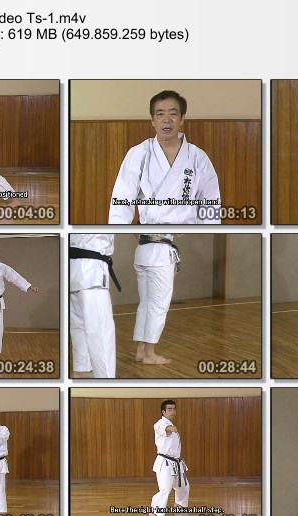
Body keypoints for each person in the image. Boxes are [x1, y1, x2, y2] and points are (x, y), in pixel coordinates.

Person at [109, 90, 221, 225]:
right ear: (153, 120)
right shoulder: (139, 154)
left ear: (182, 119)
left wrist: (206, 234)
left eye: (173, 114)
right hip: (149, 234)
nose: (166, 120)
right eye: (160, 114)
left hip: (188, 235)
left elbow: (210, 202)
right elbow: (122, 201)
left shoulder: (198, 158)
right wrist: (118, 233)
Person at [69, 233, 118, 378]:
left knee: (79, 325)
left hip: (73, 266)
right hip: (92, 269)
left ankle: (81, 370)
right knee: (101, 331)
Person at [134, 235, 179, 365]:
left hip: (142, 251)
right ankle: (149, 354)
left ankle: (140, 351)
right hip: (159, 256)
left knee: (145, 304)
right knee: (158, 305)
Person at [151, 399, 190, 516]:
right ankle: (155, 511)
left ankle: (179, 504)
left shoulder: (170, 424)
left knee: (183, 485)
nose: (173, 411)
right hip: (165, 463)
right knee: (165, 489)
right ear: (163, 412)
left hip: (175, 462)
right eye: (169, 409)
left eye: (174, 409)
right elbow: (165, 428)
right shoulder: (160, 424)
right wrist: (170, 428)